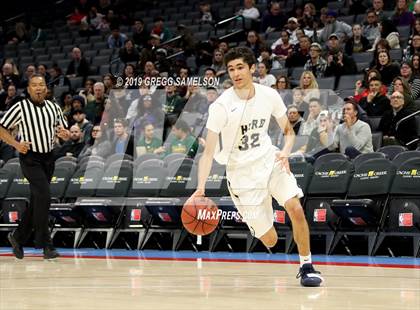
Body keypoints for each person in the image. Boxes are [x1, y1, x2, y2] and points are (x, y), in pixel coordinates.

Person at [189, 47, 323, 287]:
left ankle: (307, 266)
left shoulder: (269, 95)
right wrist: (200, 188)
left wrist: (285, 151)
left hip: (269, 160)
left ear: (252, 68)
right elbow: (208, 153)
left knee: (295, 207)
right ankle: (267, 215)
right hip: (241, 176)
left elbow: (288, 132)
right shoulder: (220, 106)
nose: (236, 73)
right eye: (231, 69)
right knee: (270, 240)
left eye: (240, 67)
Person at [0, 74, 70, 259]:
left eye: (41, 85)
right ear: (29, 89)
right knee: (45, 196)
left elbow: (64, 131)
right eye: (34, 85)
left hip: (49, 157)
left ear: (46, 88)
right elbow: (1, 127)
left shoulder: (54, 107)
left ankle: (17, 237)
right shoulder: (20, 107)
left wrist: (65, 134)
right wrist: (16, 144)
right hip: (30, 158)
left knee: (38, 200)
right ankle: (45, 245)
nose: (38, 88)